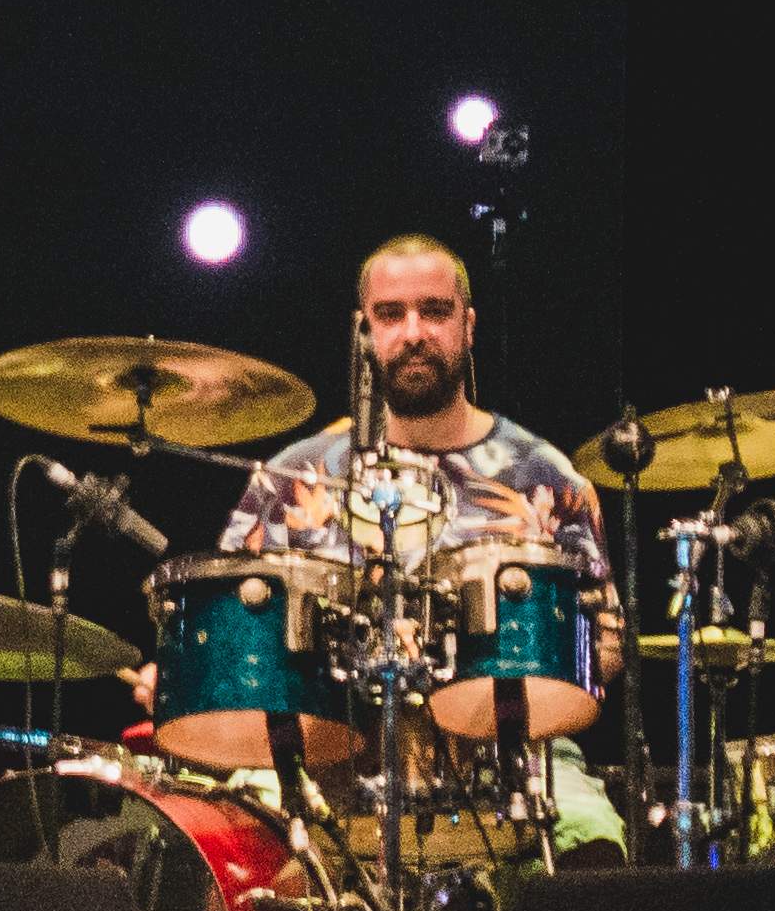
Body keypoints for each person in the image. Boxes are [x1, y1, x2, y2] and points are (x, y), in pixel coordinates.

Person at [220, 235, 613, 716]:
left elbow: (605, 647)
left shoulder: (544, 476)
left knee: (582, 797)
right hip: (329, 752)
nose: (413, 333)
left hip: (511, 750)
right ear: (363, 332)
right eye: (389, 315)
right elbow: (228, 636)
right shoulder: (295, 476)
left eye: (434, 311)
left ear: (468, 327)